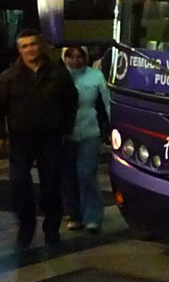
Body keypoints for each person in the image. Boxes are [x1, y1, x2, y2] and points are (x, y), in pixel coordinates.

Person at [0, 29, 78, 248]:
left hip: (50, 139)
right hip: (21, 141)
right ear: (19, 50)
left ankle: (52, 229)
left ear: (40, 45)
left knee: (51, 185)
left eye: (32, 44)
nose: (29, 50)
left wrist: (66, 128)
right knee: (20, 184)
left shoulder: (58, 74)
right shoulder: (8, 78)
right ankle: (26, 227)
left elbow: (71, 101)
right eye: (24, 46)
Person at [61, 46, 110, 234]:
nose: (75, 60)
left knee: (86, 173)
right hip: (66, 132)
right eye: (70, 56)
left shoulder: (95, 76)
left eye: (79, 56)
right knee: (68, 177)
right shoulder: (60, 76)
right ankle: (75, 214)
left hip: (90, 131)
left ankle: (93, 216)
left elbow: (106, 101)